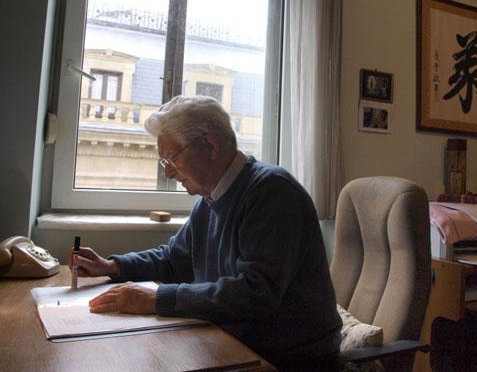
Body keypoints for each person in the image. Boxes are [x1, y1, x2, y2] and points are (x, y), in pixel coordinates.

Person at [71, 95, 342, 371]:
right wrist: (112, 266)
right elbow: (173, 260)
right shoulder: (209, 199)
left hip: (291, 356)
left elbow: (256, 293)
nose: (168, 174)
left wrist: (157, 299)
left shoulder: (272, 192)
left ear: (210, 145)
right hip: (233, 339)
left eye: (171, 158)